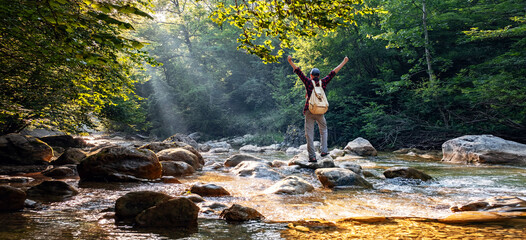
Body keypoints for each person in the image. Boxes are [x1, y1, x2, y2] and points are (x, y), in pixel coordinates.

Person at [287, 55, 349, 162]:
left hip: (309, 110)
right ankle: (324, 150)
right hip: (320, 111)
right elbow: (333, 72)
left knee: (309, 133)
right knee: (323, 129)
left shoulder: (308, 82)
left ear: (311, 75)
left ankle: (312, 156)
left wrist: (290, 61)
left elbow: (298, 71)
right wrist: (344, 61)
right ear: (319, 76)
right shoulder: (323, 82)